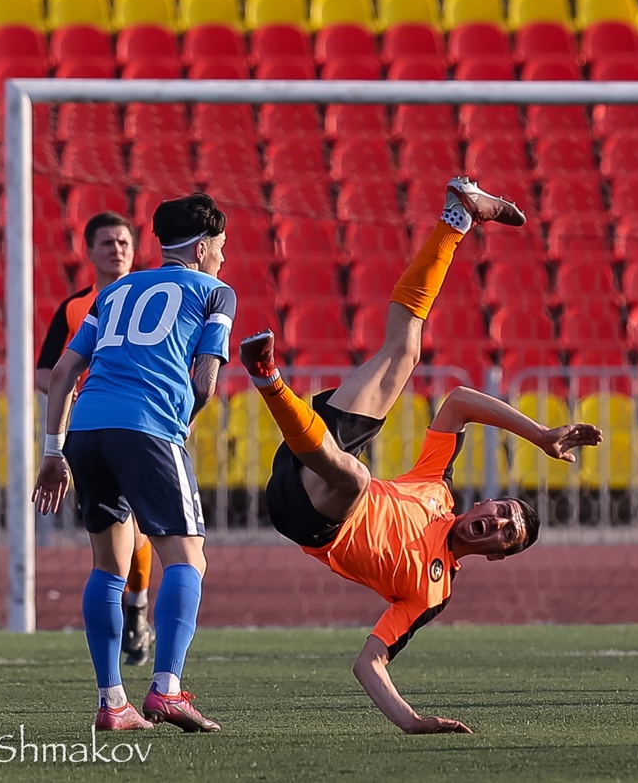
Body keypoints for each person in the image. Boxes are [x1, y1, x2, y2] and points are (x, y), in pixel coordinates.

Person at [238, 177, 602, 734]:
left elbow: (369, 662)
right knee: (404, 348)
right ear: (485, 502)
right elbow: (456, 402)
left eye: (507, 532)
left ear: (499, 555)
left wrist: (410, 721)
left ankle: (267, 379)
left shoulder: (433, 590)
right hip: (320, 454)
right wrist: (541, 434)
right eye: (503, 511)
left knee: (355, 478)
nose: (497, 521)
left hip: (308, 513)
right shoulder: (439, 487)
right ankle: (458, 219)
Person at [32, 193, 235, 732]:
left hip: (86, 430)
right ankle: (166, 690)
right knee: (188, 559)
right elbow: (207, 381)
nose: (223, 258)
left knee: (108, 566)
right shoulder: (216, 292)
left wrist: (53, 452)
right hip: (147, 428)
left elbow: (60, 372)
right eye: (220, 247)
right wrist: (178, 424)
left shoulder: (116, 290)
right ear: (202, 247)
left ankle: (111, 702)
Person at [36, 211, 155, 668]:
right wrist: (76, 386)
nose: (117, 248)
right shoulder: (75, 307)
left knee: (140, 526)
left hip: (144, 423)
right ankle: (134, 610)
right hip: (91, 427)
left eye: (123, 240)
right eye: (106, 242)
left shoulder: (150, 299)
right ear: (89, 251)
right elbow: (47, 371)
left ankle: (138, 604)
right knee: (115, 531)